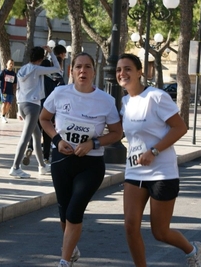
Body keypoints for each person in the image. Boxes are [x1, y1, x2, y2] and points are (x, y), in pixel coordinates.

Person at [116, 54, 201, 267]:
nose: (122, 73)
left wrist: (154, 151)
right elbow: (122, 132)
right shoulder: (125, 102)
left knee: (160, 232)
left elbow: (180, 127)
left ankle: (193, 250)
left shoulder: (156, 97)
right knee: (130, 226)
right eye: (119, 70)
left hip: (162, 173)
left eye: (128, 69)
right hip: (134, 171)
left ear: (140, 72)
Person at [39, 52, 122, 267]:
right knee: (64, 211)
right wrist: (57, 140)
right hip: (62, 159)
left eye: (87, 67)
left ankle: (64, 261)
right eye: (78, 67)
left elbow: (116, 132)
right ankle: (70, 247)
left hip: (90, 164)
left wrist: (93, 144)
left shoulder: (106, 100)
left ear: (94, 72)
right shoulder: (59, 93)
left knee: (75, 210)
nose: (82, 71)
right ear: (71, 71)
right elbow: (44, 119)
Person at [9, 46, 60, 178]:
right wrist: (51, 53)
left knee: (37, 135)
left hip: (22, 104)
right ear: (41, 58)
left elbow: (18, 89)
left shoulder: (22, 69)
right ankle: (15, 167)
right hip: (33, 105)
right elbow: (57, 68)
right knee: (26, 137)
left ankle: (42, 166)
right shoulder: (36, 69)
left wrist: (19, 109)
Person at [0, 59, 17, 123]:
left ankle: (4, 114)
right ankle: (3, 116)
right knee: (4, 102)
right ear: (7, 64)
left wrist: (15, 90)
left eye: (12, 64)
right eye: (10, 63)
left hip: (10, 91)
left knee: (8, 104)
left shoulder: (14, 74)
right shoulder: (3, 72)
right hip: (4, 91)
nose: (11, 65)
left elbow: (15, 83)